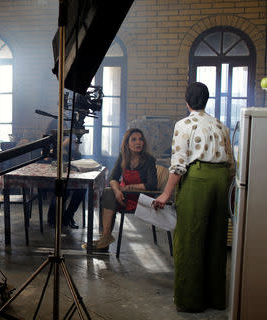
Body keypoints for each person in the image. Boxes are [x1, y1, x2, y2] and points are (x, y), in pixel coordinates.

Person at [153, 82, 234, 313]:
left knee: (190, 238)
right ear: (206, 100)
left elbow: (179, 163)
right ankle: (216, 299)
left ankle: (190, 301)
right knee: (216, 239)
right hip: (222, 182)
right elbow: (231, 163)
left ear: (187, 101)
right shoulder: (220, 124)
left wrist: (166, 193)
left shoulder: (184, 124)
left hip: (197, 179)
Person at [92, 128, 157, 249]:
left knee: (108, 197)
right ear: (127, 143)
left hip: (142, 198)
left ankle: (104, 239)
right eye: (134, 140)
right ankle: (105, 236)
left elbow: (152, 185)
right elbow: (113, 177)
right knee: (108, 193)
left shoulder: (149, 160)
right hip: (124, 195)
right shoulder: (123, 157)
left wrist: (129, 187)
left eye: (140, 139)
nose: (138, 142)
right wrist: (117, 191)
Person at [44, 118, 86, 229]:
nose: (64, 129)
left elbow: (76, 156)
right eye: (61, 127)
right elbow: (46, 155)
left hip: (68, 170)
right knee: (63, 190)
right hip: (52, 172)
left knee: (82, 189)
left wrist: (76, 148)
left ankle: (68, 216)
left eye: (65, 126)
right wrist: (63, 144)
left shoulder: (69, 138)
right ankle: (53, 218)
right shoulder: (49, 138)